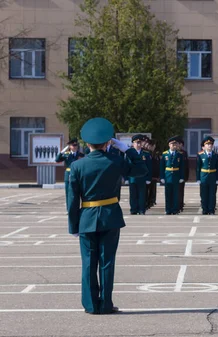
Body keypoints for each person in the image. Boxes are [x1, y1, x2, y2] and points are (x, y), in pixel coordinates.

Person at [67, 117, 147, 314]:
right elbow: (141, 170)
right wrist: (127, 149)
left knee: (88, 263)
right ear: (108, 142)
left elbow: (71, 200)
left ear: (87, 143)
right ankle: (106, 304)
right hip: (110, 215)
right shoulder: (116, 161)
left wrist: (73, 226)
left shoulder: (77, 166)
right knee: (107, 262)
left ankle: (90, 305)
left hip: (86, 217)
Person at [56, 138, 85, 210]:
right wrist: (64, 150)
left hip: (78, 175)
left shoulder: (81, 155)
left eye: (76, 145)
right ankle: (69, 209)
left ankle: (77, 208)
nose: (75, 147)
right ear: (70, 146)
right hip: (68, 175)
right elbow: (57, 159)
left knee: (78, 192)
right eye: (73, 145)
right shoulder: (66, 155)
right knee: (68, 193)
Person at [127, 134, 153, 215]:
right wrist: (126, 178)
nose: (138, 144)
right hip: (132, 178)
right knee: (133, 195)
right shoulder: (129, 153)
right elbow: (126, 166)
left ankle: (142, 209)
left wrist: (148, 178)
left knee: (142, 195)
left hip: (142, 178)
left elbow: (149, 167)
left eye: (139, 143)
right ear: (133, 144)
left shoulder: (146, 154)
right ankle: (133, 209)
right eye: (136, 143)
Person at [160, 137, 185, 215]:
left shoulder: (179, 154)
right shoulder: (164, 154)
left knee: (176, 194)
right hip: (167, 176)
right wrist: (162, 177)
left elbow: (182, 167)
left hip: (176, 175)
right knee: (168, 194)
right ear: (169, 145)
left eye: (175, 144)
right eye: (172, 144)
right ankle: (168, 209)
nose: (173, 145)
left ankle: (175, 209)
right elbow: (162, 167)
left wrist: (181, 177)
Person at [196, 136, 218, 215]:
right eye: (208, 144)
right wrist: (198, 178)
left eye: (211, 144)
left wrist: (217, 178)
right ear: (204, 146)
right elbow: (198, 168)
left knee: (212, 194)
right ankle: (205, 209)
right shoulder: (200, 155)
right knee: (203, 194)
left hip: (212, 176)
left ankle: (211, 210)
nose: (209, 146)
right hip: (203, 177)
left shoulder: (216, 155)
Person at [176, 137, 189, 213]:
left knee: (181, 191)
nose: (178, 145)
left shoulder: (184, 153)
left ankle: (180, 204)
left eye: (179, 144)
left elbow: (186, 165)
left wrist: (186, 176)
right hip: (174, 174)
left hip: (182, 174)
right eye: (177, 144)